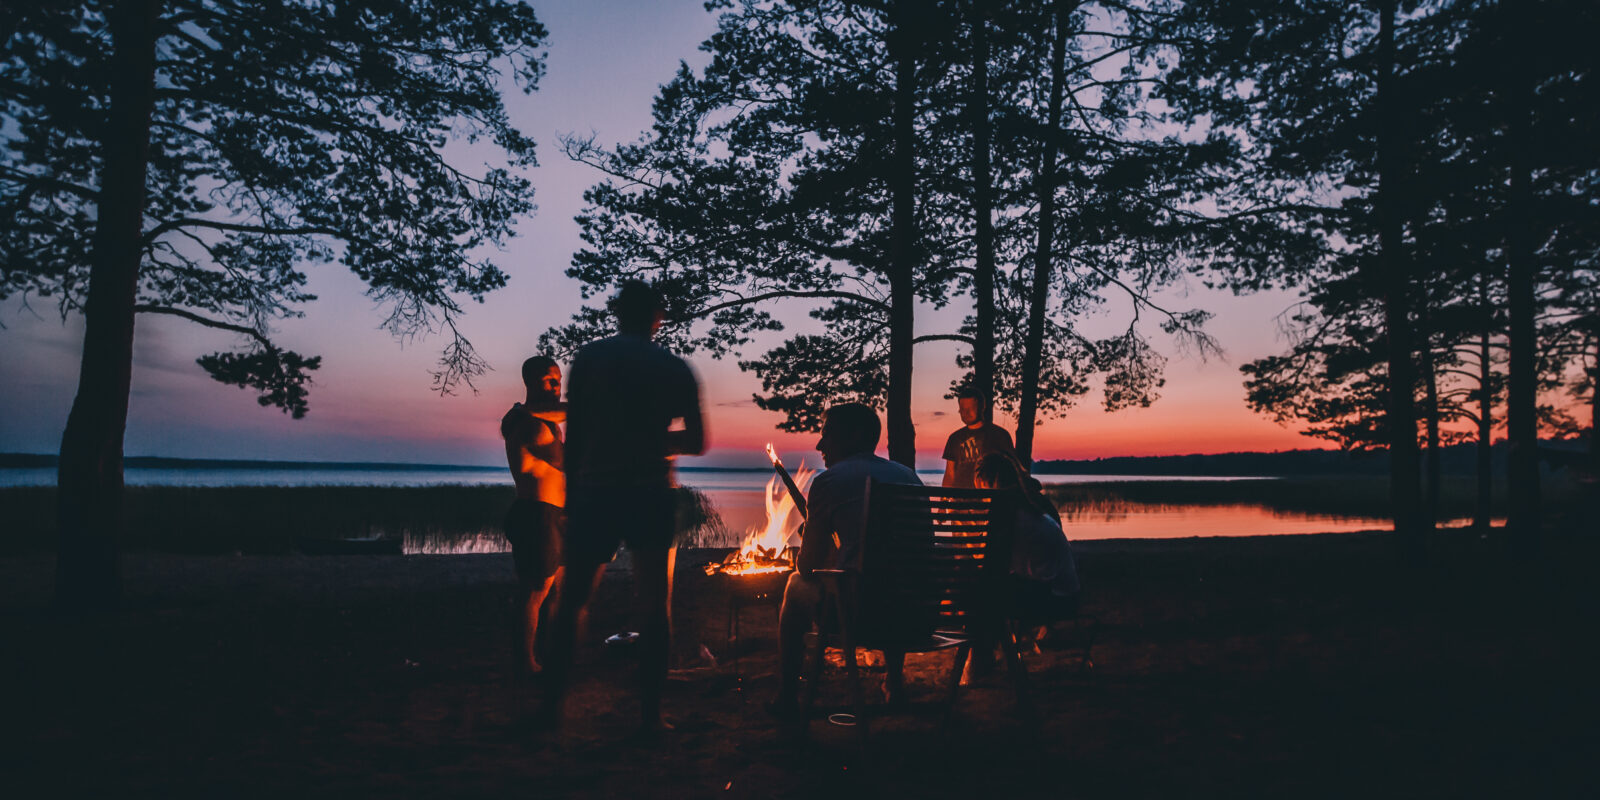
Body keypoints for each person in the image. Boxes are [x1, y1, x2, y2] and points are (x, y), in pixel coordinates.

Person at [540, 280, 706, 738]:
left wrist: (571, 499)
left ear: (617, 312)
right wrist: (651, 443)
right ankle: (650, 719)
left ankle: (550, 711)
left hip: (595, 490)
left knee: (572, 600)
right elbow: (695, 440)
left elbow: (574, 444)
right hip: (650, 491)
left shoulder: (589, 360)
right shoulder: (672, 367)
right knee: (656, 607)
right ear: (658, 316)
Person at [772, 402, 922, 718]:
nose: (820, 445)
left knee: (795, 585)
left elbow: (808, 565)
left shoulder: (830, 481)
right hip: (918, 615)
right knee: (893, 579)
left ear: (854, 436)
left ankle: (787, 697)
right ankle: (895, 685)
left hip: (863, 616)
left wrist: (821, 540)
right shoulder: (907, 476)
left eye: (827, 435)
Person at [500, 356, 567, 675]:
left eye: (558, 379)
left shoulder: (544, 420)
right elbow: (567, 461)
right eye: (547, 380)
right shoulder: (530, 424)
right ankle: (524, 661)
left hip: (555, 515)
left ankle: (549, 653)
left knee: (558, 591)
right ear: (529, 382)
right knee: (535, 591)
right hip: (538, 515)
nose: (556, 386)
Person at [973, 452, 1080, 617]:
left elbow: (990, 563)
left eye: (983, 490)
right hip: (1063, 592)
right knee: (985, 591)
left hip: (1053, 597)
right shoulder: (1028, 508)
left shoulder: (1010, 517)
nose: (983, 499)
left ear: (992, 486)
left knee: (981, 595)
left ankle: (986, 641)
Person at [941, 387, 1017, 489]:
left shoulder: (1000, 435)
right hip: (959, 500)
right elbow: (950, 473)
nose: (966, 413)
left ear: (982, 407)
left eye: (970, 409)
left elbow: (1010, 471)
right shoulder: (955, 438)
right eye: (963, 409)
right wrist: (945, 499)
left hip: (989, 500)